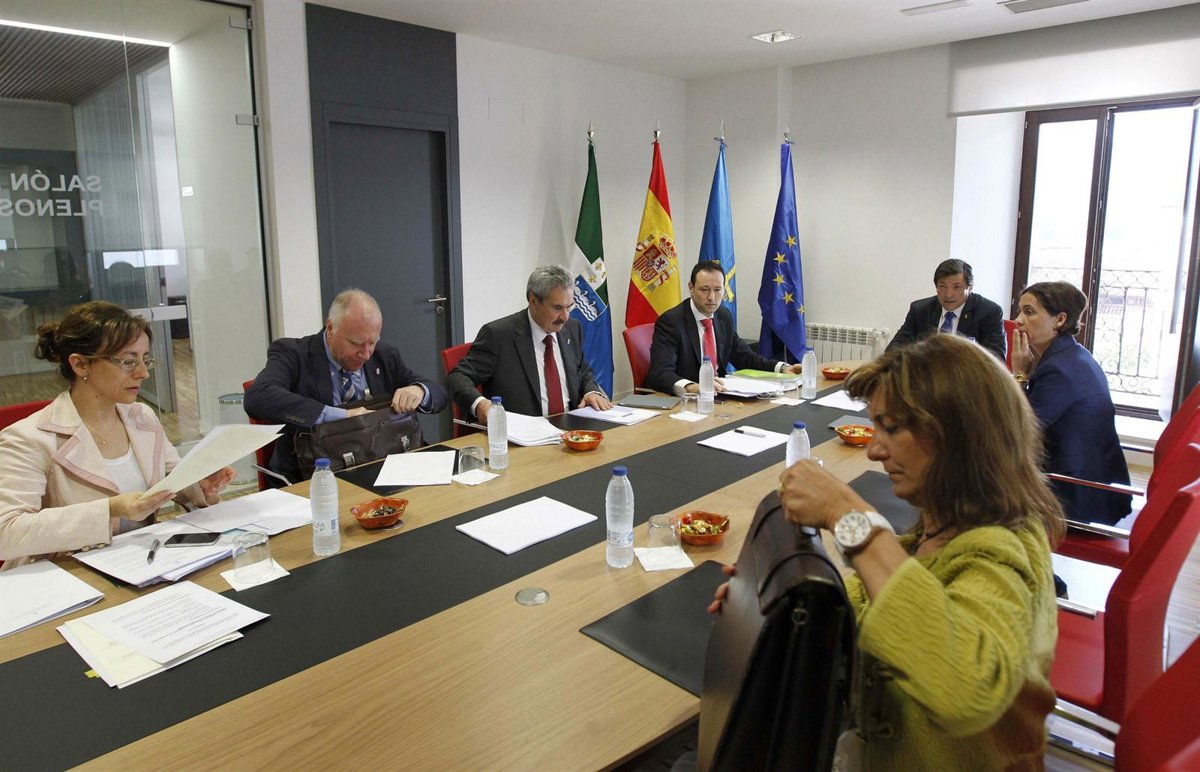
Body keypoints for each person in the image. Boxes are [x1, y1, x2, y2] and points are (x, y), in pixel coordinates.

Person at [711, 334, 1064, 768]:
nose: (875, 450)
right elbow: (874, 610)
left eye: (892, 428)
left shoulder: (1001, 549)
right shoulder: (938, 530)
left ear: (959, 435)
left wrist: (849, 516)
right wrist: (770, 599)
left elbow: (965, 690)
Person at [0, 301, 235, 570]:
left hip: (139, 566)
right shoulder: (28, 438)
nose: (143, 373)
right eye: (127, 361)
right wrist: (110, 509)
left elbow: (172, 479)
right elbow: (7, 532)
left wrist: (200, 486)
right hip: (63, 576)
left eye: (145, 360)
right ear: (80, 364)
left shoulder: (141, 417)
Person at [244, 289, 447, 482]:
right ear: (330, 328)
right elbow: (257, 397)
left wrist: (420, 391)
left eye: (372, 342)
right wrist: (340, 416)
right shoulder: (293, 354)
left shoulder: (384, 355)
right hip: (313, 476)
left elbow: (439, 394)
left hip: (380, 467)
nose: (366, 354)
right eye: (356, 343)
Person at [1012, 281, 1132, 525]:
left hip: (1074, 496)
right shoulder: (1073, 355)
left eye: (1029, 312)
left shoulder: (1059, 369)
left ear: (1060, 319)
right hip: (1093, 487)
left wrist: (1019, 374)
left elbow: (1018, 430)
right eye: (1019, 311)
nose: (1018, 320)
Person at [447, 265, 612, 423]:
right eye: (557, 308)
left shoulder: (572, 328)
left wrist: (591, 391)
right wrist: (479, 404)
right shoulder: (498, 335)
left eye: (569, 307)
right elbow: (458, 377)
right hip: (523, 432)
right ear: (533, 301)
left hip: (573, 428)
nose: (565, 317)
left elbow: (581, 369)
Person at [644, 260, 801, 395]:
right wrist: (692, 387)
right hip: (690, 400)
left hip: (722, 393)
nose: (712, 297)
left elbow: (744, 357)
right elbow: (659, 373)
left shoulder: (723, 316)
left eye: (717, 290)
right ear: (691, 287)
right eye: (704, 289)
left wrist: (782, 368)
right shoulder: (671, 322)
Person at [887, 258, 1006, 361]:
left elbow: (996, 359)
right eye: (943, 286)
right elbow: (893, 349)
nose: (948, 294)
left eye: (956, 287)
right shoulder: (920, 310)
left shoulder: (989, 312)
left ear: (969, 288)